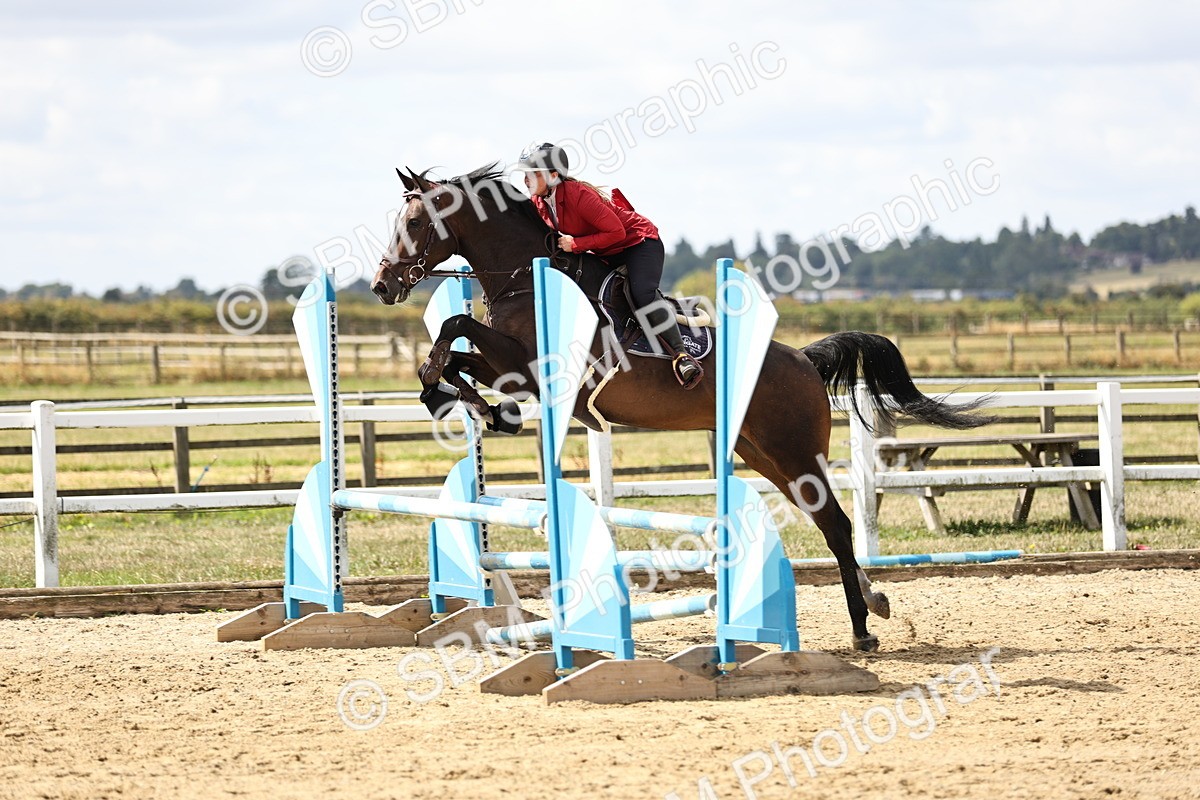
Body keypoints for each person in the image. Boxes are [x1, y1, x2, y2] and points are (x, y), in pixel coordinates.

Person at [516, 142, 702, 389]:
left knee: (642, 295)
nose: (526, 179)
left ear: (552, 175)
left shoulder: (577, 194)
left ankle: (682, 356)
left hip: (638, 243)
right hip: (606, 252)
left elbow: (615, 232)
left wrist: (577, 244)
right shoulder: (540, 203)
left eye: (533, 173)